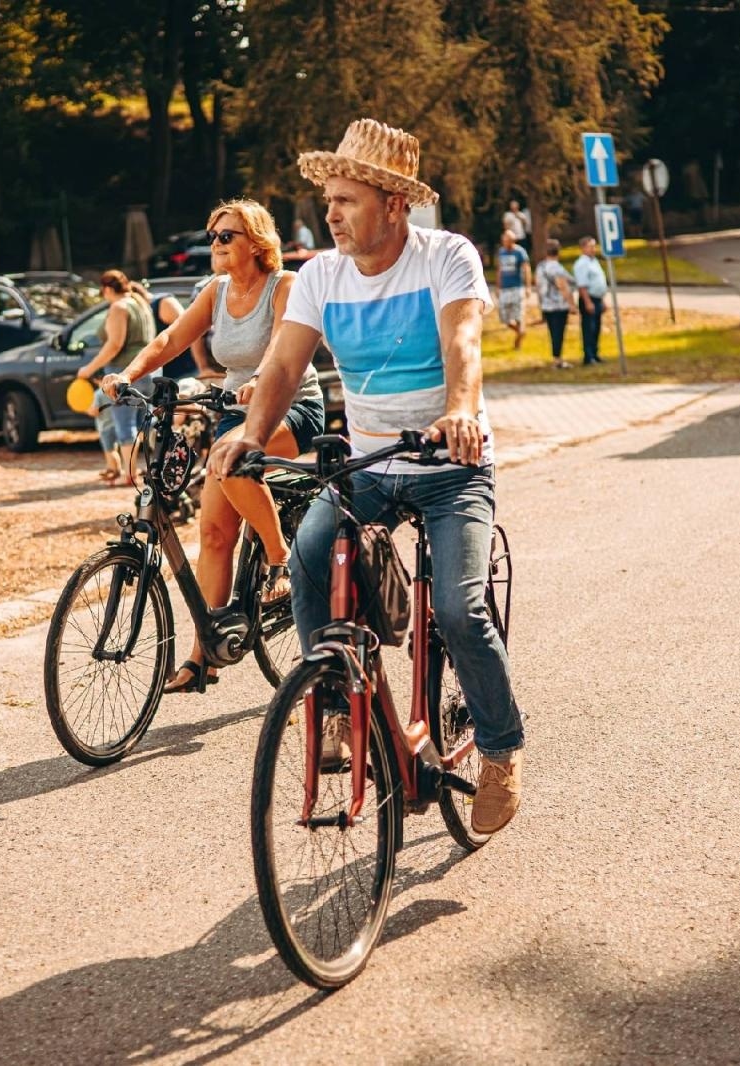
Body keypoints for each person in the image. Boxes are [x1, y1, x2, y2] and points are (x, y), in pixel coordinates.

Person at [209, 118, 526, 835]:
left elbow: (463, 340)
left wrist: (459, 411)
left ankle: (502, 749)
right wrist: (251, 434)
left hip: (450, 465)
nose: (332, 214)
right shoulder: (321, 275)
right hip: (370, 467)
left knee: (458, 609)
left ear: (393, 204)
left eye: (347, 200)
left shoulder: (447, 257)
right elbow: (283, 365)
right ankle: (333, 706)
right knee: (309, 555)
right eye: (329, 201)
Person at [104, 199, 324, 693]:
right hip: (235, 413)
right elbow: (170, 339)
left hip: (291, 406)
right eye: (213, 236)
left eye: (227, 236)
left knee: (227, 460)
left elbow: (281, 344)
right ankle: (204, 656)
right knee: (214, 534)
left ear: (256, 241)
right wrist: (128, 374)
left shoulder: (284, 286)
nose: (216, 244)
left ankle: (280, 560)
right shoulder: (216, 291)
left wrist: (262, 379)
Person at [75, 270, 156, 486]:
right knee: (141, 424)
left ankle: (129, 476)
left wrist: (89, 369)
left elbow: (114, 345)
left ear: (108, 289)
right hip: (147, 369)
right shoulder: (140, 302)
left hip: (124, 372)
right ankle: (140, 469)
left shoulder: (119, 307)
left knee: (125, 425)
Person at [534, 238, 578, 369]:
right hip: (559, 305)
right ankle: (558, 360)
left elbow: (538, 285)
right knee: (559, 333)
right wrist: (572, 305)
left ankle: (556, 357)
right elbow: (562, 286)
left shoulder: (541, 267)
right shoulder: (557, 268)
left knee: (553, 333)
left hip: (546, 304)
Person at [572, 235, 608, 365]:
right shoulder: (582, 264)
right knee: (589, 328)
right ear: (583, 248)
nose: (593, 249)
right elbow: (582, 285)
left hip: (597, 298)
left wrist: (602, 300)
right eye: (590, 246)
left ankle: (595, 353)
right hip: (588, 298)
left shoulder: (594, 261)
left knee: (596, 327)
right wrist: (587, 302)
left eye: (594, 246)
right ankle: (588, 355)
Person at [494, 229, 531, 350]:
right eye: (504, 240)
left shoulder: (520, 252)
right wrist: (498, 286)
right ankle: (520, 331)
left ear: (513, 241)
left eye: (508, 240)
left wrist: (528, 286)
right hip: (504, 288)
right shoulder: (501, 252)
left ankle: (518, 340)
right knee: (504, 317)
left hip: (517, 287)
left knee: (518, 314)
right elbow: (499, 270)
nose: (506, 242)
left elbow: (526, 269)